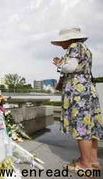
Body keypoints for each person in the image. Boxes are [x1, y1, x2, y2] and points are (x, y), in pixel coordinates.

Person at [51, 27, 103, 172]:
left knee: (82, 128)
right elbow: (78, 66)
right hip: (88, 90)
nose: (61, 44)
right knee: (90, 126)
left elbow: (71, 67)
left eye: (62, 41)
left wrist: (59, 63)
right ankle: (93, 161)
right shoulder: (85, 49)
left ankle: (85, 165)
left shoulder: (74, 47)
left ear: (69, 39)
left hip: (78, 93)